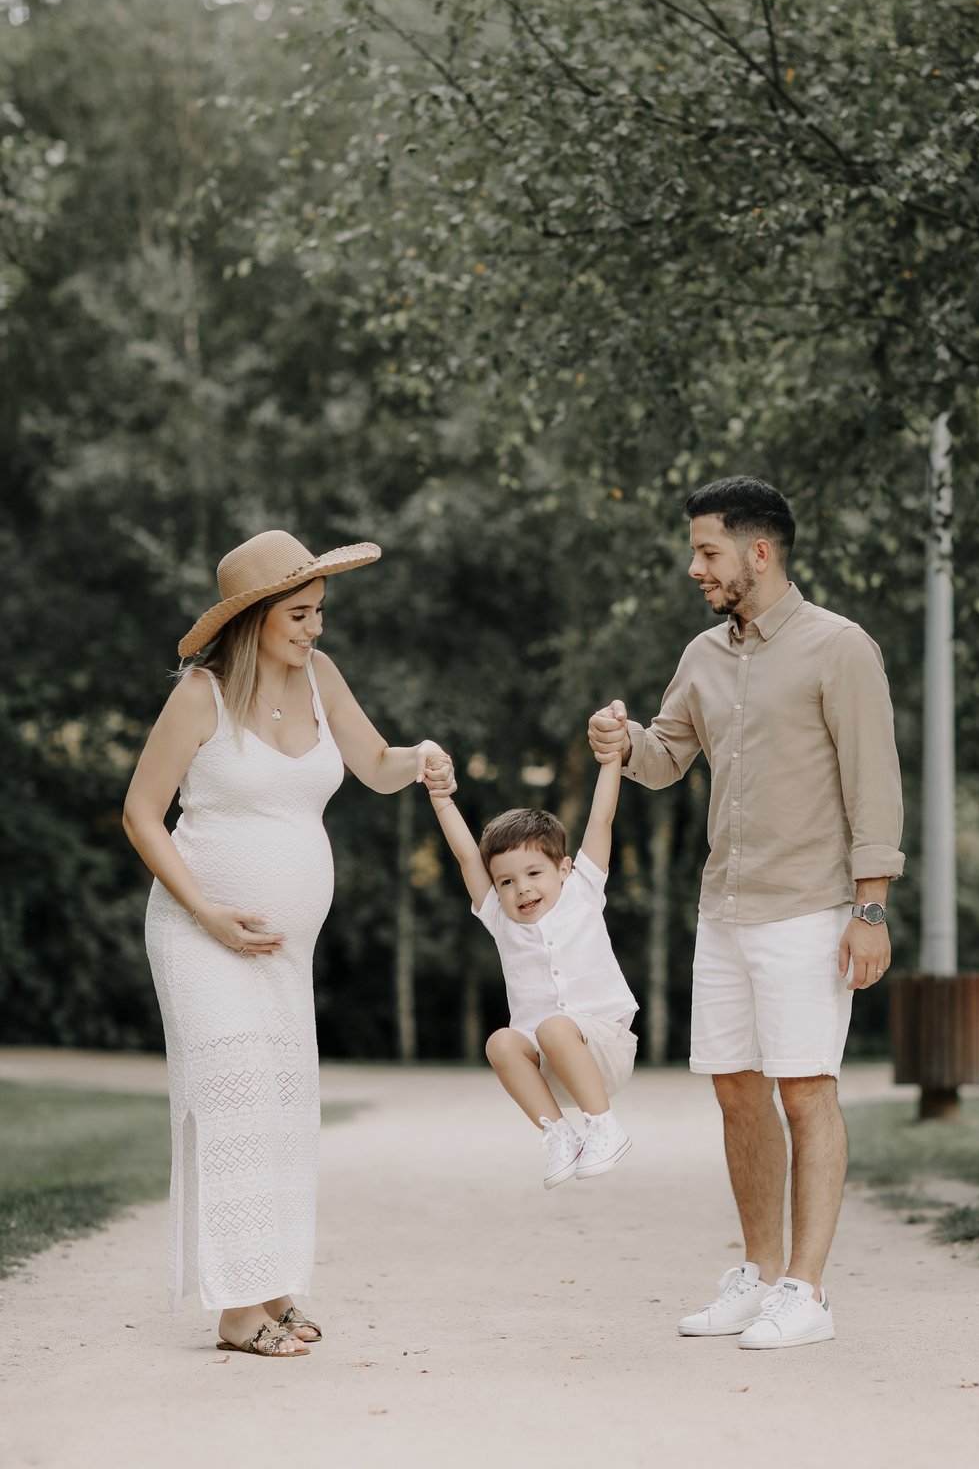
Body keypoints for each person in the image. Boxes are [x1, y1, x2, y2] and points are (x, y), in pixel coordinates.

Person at [587, 476, 903, 1350]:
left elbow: (874, 785)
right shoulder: (702, 655)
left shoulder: (840, 648)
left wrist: (871, 910)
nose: (695, 568)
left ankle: (807, 1291)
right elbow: (665, 757)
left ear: (758, 552)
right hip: (723, 908)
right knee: (735, 1090)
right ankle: (760, 1277)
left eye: (708, 551)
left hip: (810, 907)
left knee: (806, 1090)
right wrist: (622, 743)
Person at [123, 530, 447, 1358]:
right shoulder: (200, 696)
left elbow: (376, 763)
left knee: (278, 1108)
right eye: (300, 614)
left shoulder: (321, 678)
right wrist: (206, 912)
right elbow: (140, 813)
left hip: (280, 952)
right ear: (255, 617)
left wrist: (421, 759)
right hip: (199, 933)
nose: (315, 628)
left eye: (319, 612)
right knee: (233, 1100)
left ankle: (269, 1288)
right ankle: (238, 1312)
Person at [425, 747, 637, 1188]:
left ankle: (605, 1126)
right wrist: (440, 797)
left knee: (554, 1026)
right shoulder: (501, 918)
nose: (521, 889)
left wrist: (611, 758)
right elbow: (467, 857)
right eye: (506, 881)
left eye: (534, 874)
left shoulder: (582, 890)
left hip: (604, 1050)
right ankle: (561, 1136)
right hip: (549, 1066)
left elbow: (601, 819)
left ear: (563, 869)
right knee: (501, 1041)